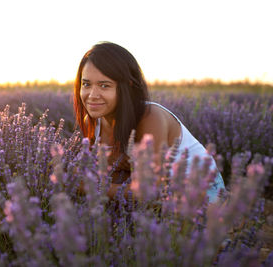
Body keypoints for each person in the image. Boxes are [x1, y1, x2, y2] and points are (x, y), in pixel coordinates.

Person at [73, 41, 225, 203]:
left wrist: (89, 186)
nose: (92, 95)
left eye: (104, 86)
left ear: (128, 87)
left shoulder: (150, 117)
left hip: (200, 195)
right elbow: (98, 169)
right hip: (157, 203)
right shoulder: (92, 122)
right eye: (86, 84)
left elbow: (149, 191)